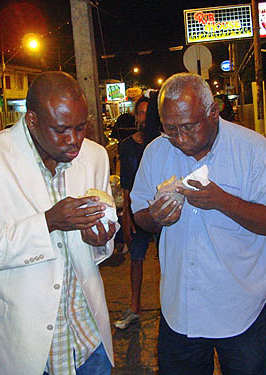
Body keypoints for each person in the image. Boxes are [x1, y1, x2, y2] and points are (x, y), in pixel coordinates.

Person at [0, 71, 117, 375]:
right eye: (62, 130)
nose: (74, 140)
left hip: (88, 342)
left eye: (81, 128)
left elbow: (99, 241)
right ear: (31, 121)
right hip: (23, 349)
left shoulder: (95, 156)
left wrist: (100, 239)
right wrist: (47, 223)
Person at [130, 73, 266, 375]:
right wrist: (155, 217)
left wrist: (223, 201)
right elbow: (139, 213)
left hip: (238, 310)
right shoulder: (157, 151)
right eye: (170, 129)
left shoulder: (254, 151)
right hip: (180, 311)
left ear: (213, 113)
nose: (179, 139)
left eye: (189, 127)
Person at [114, 94, 153, 329]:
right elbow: (126, 186)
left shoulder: (164, 143)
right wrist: (127, 218)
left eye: (149, 113)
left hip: (162, 209)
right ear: (135, 115)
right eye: (140, 112)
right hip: (138, 211)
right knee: (136, 259)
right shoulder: (127, 146)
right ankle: (135, 307)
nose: (144, 118)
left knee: (170, 259)